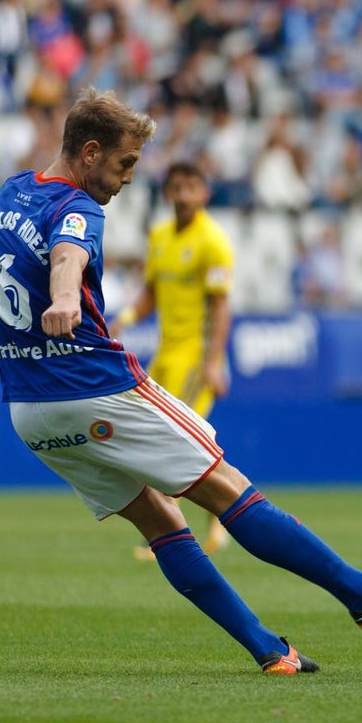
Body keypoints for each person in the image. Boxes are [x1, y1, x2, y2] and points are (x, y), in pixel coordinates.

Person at [0, 88, 362, 674]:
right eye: (125, 163)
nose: (129, 178)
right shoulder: (79, 208)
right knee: (227, 488)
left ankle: (270, 651)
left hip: (28, 409)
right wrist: (62, 300)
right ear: (91, 151)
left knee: (161, 521)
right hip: (94, 387)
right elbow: (67, 257)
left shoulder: (12, 192)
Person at [110, 161, 235, 559]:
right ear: (167, 193)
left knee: (175, 439)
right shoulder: (160, 236)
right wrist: (125, 318)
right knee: (186, 441)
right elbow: (151, 292)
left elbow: (221, 307)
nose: (183, 195)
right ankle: (221, 519)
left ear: (204, 193)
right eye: (176, 188)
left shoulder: (212, 242)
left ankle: (167, 535)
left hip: (196, 358)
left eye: (191, 187)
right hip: (165, 355)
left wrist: (214, 361)